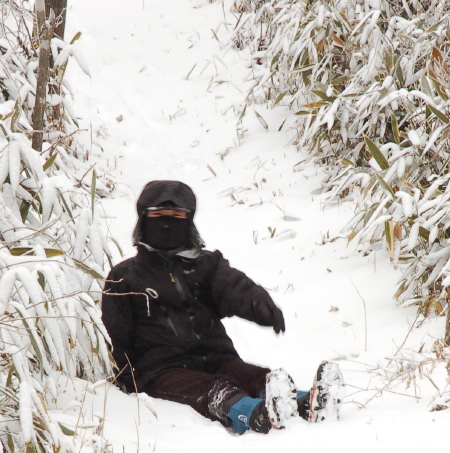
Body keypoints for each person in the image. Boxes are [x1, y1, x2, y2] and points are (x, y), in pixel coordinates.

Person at [101, 180, 331, 434]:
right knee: (216, 389)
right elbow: (117, 333)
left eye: (177, 216)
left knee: (252, 375)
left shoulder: (206, 266)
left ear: (188, 221)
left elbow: (233, 287)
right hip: (161, 371)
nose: (167, 223)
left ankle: (302, 401)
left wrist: (258, 304)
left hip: (216, 356)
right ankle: (252, 413)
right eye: (157, 216)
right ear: (144, 220)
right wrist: (126, 378)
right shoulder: (125, 277)